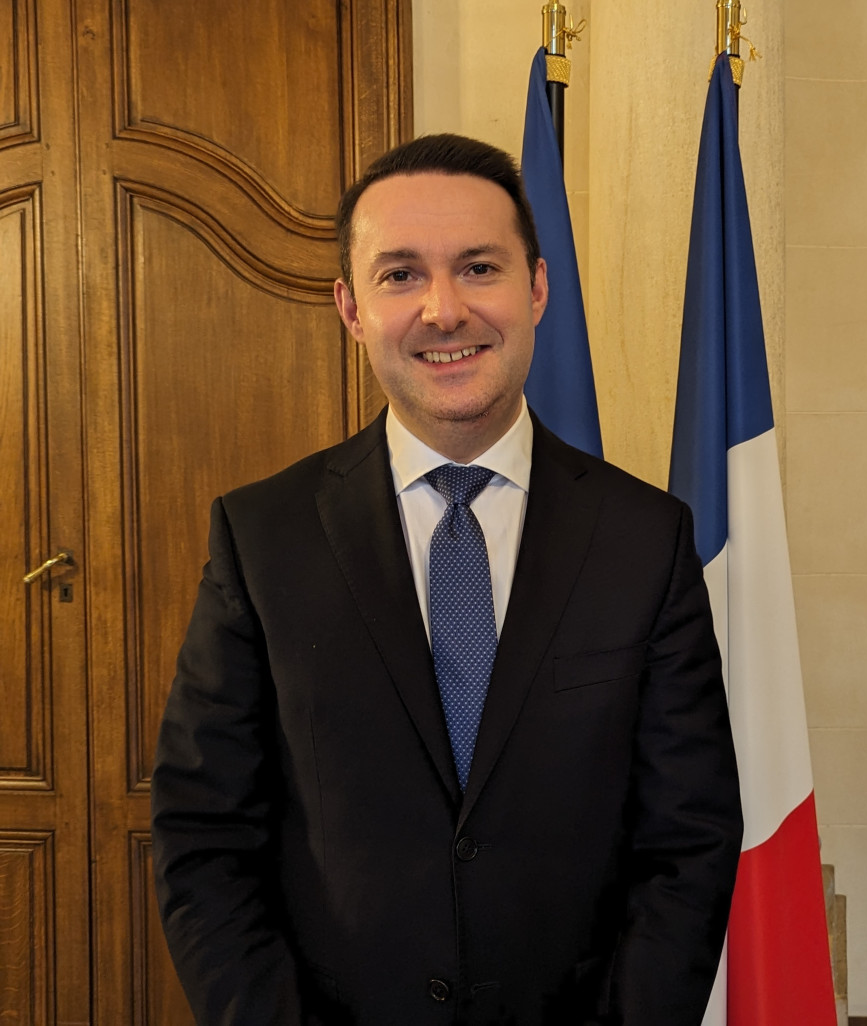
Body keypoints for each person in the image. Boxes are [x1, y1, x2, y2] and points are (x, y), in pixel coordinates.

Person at [151, 133, 742, 1026]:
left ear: (537, 288)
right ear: (349, 307)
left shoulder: (645, 539)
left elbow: (687, 843)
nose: (443, 309)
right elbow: (205, 835)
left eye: (477, 267)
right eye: (399, 275)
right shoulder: (260, 535)